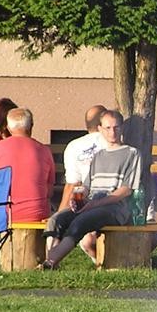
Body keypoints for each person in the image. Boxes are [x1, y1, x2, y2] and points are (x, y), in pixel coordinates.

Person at [41, 109, 140, 269]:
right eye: (108, 128)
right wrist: (77, 198)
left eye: (116, 127)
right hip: (92, 204)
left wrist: (95, 204)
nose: (112, 132)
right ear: (100, 129)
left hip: (114, 208)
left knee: (81, 222)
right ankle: (51, 261)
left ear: (122, 128)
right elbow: (86, 186)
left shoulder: (132, 154)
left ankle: (50, 262)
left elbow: (126, 190)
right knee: (57, 219)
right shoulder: (98, 156)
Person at [0, 107, 56, 223]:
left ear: (8, 128)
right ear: (31, 126)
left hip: (3, 214)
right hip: (37, 214)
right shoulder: (44, 150)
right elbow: (49, 191)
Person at [59, 104, 108, 260]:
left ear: (87, 125)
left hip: (86, 204)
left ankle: (98, 260)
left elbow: (73, 184)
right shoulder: (116, 142)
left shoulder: (74, 146)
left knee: (86, 240)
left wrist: (60, 215)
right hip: (112, 202)